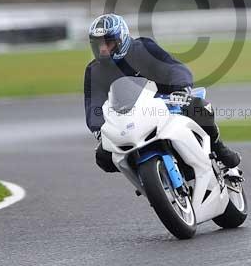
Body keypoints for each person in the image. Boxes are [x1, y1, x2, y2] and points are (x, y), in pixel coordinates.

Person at [83, 13, 241, 173]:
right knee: (103, 156)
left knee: (200, 107)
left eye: (108, 43)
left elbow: (173, 67)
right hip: (129, 117)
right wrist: (99, 129)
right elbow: (93, 103)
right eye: (98, 45)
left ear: (121, 40)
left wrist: (181, 88)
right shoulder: (94, 70)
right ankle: (146, 176)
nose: (102, 49)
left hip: (167, 103)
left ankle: (219, 149)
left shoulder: (144, 48)